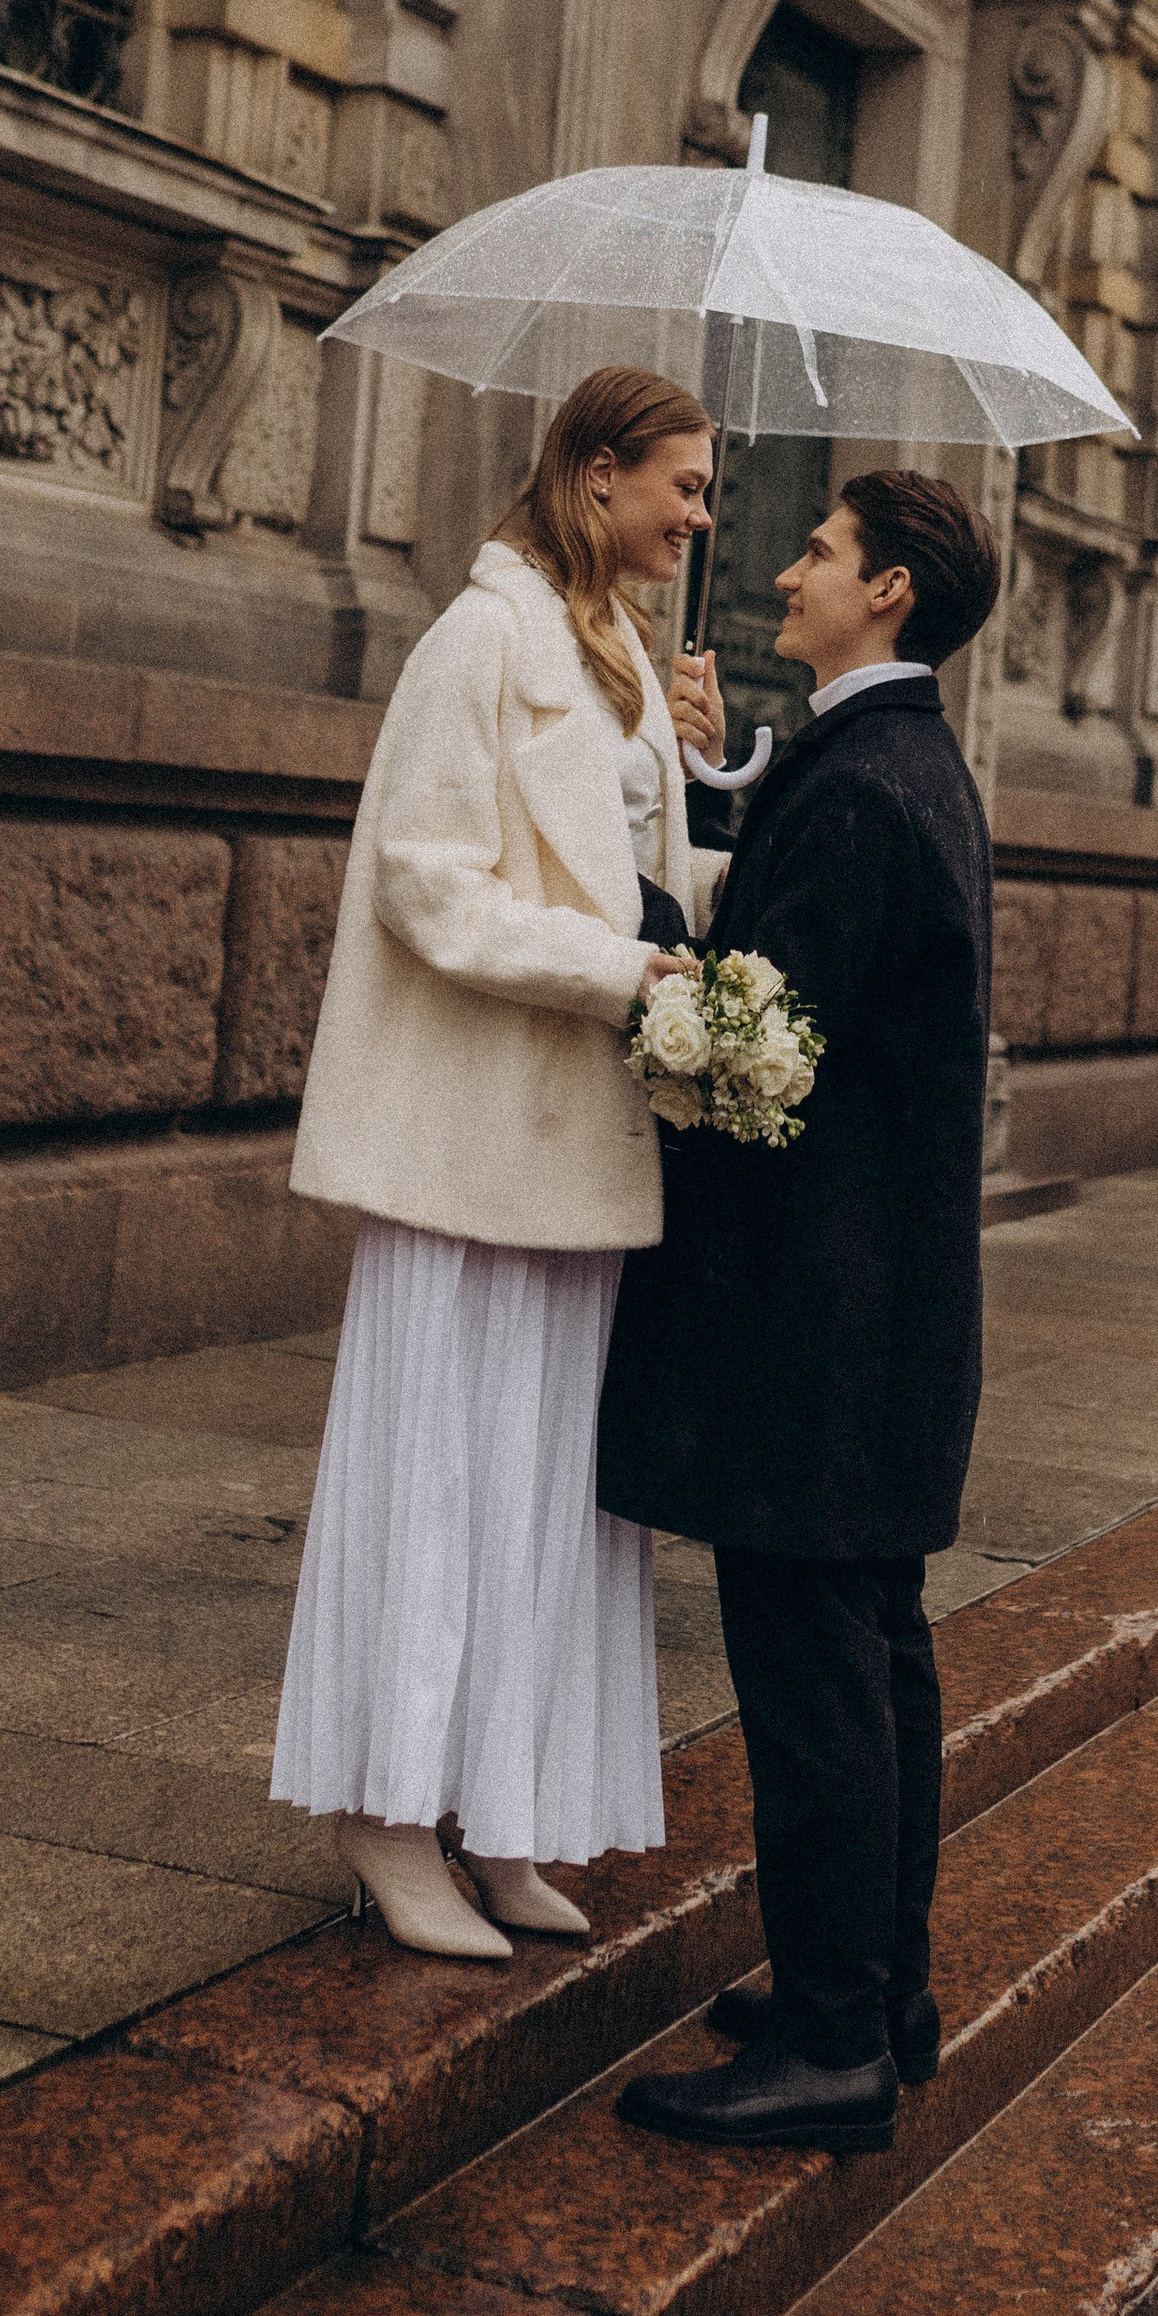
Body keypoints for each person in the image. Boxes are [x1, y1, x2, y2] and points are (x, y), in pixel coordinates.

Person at [269, 366, 725, 1956]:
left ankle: (507, 1814)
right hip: (472, 1152)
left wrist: (705, 797)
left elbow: (645, 895)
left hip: (575, 1164)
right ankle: (391, 1822)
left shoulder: (621, 663)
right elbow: (428, 886)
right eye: (684, 483)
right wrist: (620, 976)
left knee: (549, 1501)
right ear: (595, 475)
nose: (699, 516)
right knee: (442, 1486)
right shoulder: (480, 641)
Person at [600, 468, 1000, 2154]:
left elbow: (760, 1052)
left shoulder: (862, 792)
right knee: (882, 1660)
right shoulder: (895, 765)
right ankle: (879, 1990)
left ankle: (834, 2042)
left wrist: (637, 941)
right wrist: (719, 787)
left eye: (821, 553)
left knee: (818, 1686)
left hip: (820, 1334)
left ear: (890, 591)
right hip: (890, 1326)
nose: (783, 569)